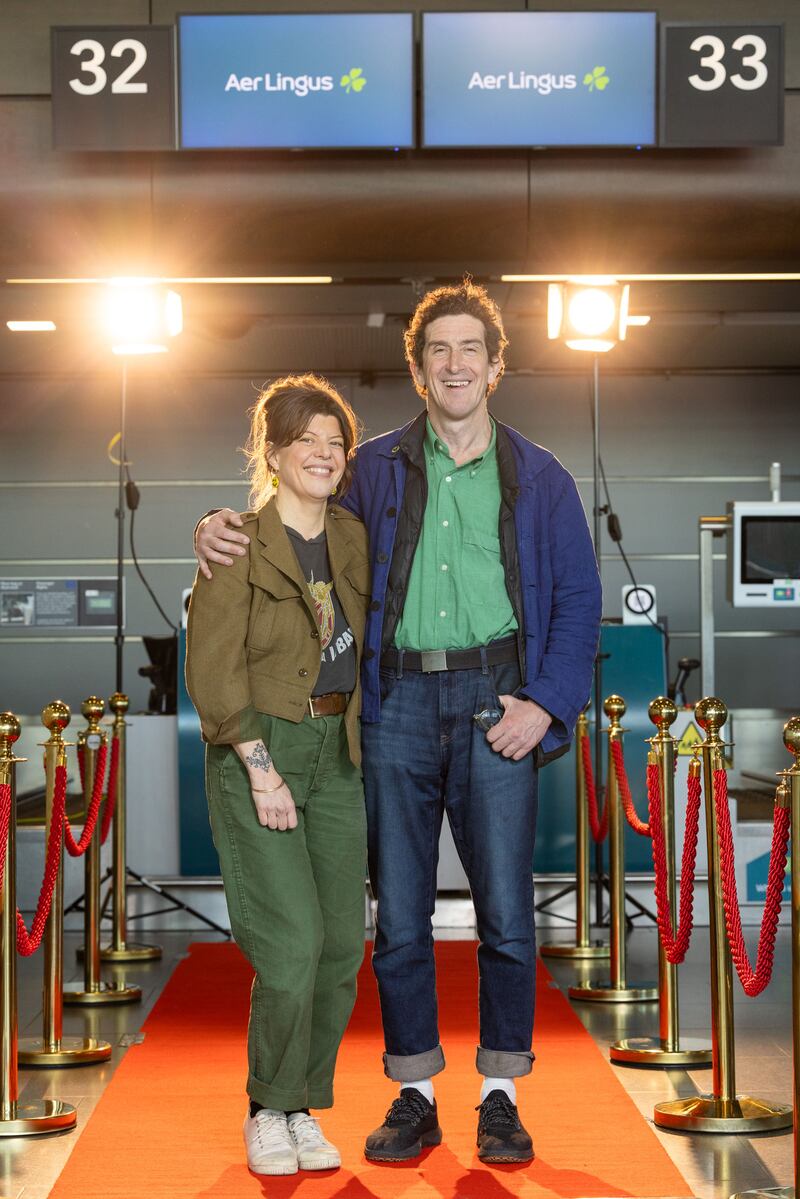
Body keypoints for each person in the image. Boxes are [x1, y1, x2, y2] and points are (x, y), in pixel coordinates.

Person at [195, 281, 602, 1166]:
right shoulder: (373, 466)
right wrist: (216, 526)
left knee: (505, 914)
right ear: (418, 372)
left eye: (470, 349)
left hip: (500, 701)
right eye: (437, 351)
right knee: (401, 916)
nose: (455, 365)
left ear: (496, 366)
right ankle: (415, 1091)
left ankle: (501, 1096)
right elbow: (291, 511)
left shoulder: (544, 477)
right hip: (394, 706)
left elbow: (578, 602)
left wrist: (545, 702)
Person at [186, 374, 370, 1176]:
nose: (324, 454)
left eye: (336, 442)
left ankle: (301, 1106)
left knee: (341, 947)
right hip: (259, 750)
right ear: (272, 452)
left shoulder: (355, 536)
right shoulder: (235, 543)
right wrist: (261, 770)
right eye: (307, 441)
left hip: (340, 752)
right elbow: (213, 670)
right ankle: (267, 1105)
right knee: (292, 943)